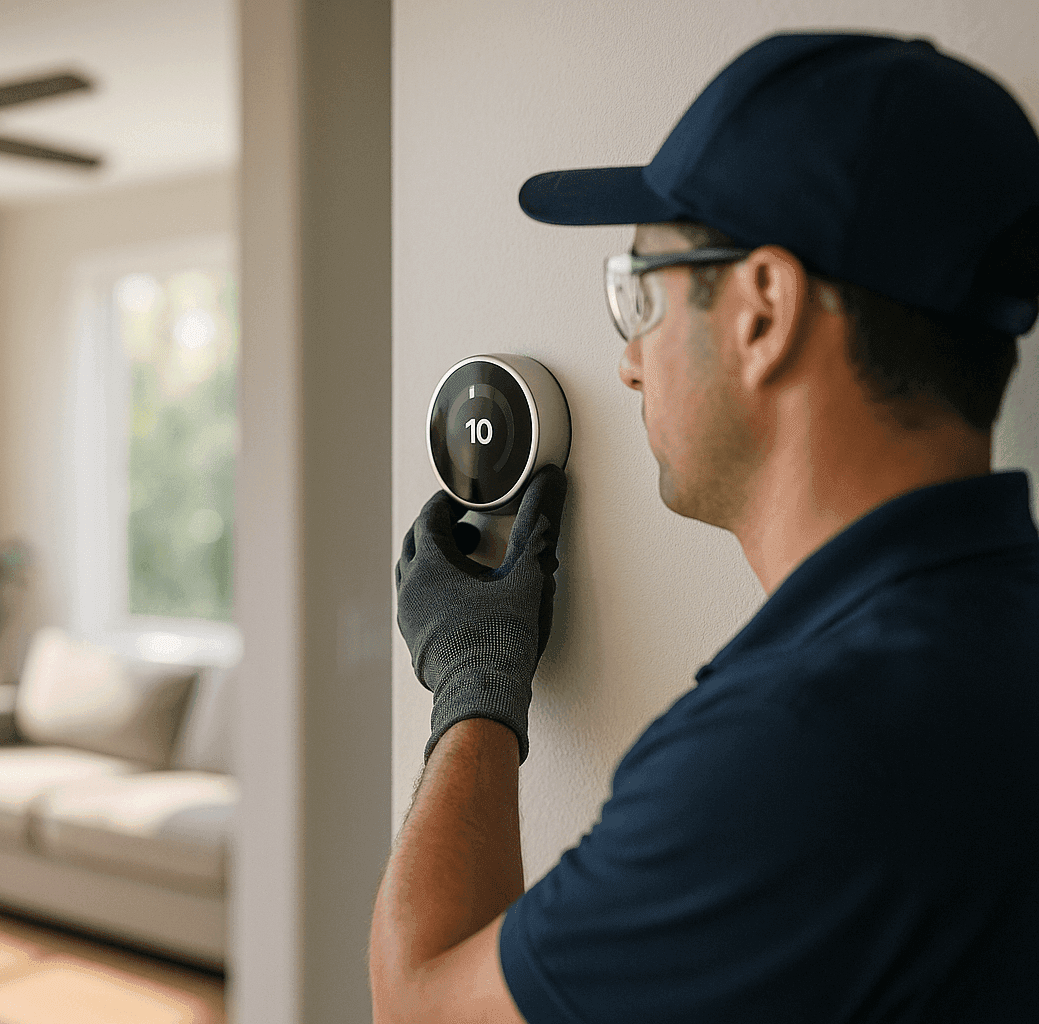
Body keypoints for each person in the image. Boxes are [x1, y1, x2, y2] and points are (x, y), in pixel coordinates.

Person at [370, 31, 1039, 1024]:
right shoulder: (997, 639)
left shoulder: (802, 752)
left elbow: (421, 1005)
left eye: (640, 292)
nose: (630, 363)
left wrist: (473, 675)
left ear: (763, 311)